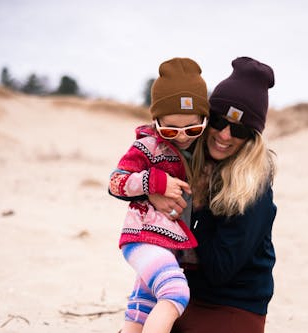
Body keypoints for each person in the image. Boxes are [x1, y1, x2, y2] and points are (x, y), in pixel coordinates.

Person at [149, 56, 277, 333]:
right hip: (186, 294)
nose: (225, 135)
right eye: (219, 121)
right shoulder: (192, 157)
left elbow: (221, 269)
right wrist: (153, 192)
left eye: (240, 129)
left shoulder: (253, 188)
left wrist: (200, 207)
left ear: (252, 137)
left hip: (232, 306)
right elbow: (132, 173)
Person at [108, 57, 209, 333]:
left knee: (142, 306)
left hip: (171, 246)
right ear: (155, 121)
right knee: (175, 292)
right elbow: (116, 182)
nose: (182, 137)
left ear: (204, 121)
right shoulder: (147, 147)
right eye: (169, 129)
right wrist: (154, 182)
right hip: (142, 237)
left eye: (192, 129)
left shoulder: (203, 151)